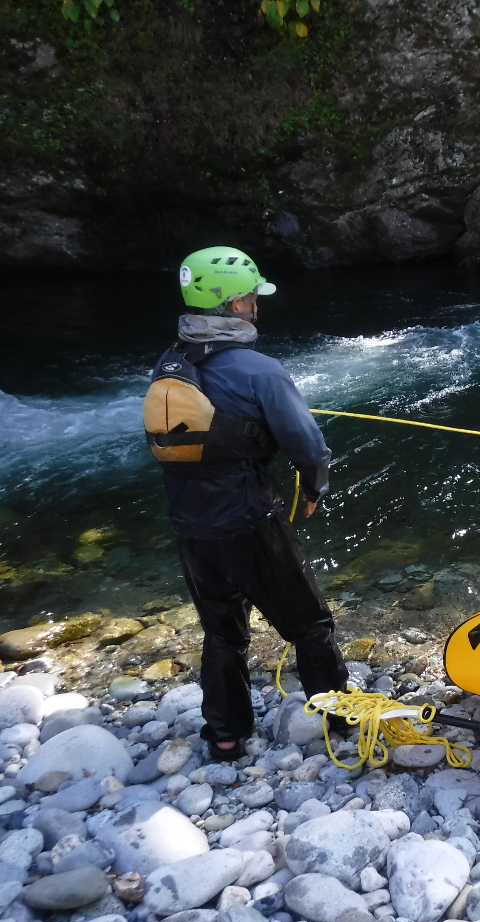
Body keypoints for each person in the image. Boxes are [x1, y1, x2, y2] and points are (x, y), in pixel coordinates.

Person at [143, 245, 348, 761]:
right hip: (249, 520)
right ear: (235, 305)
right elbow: (309, 449)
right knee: (310, 624)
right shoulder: (260, 370)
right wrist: (314, 489)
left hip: (189, 525)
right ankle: (342, 716)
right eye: (252, 296)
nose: (257, 304)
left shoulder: (168, 363)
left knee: (223, 632)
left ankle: (227, 734)